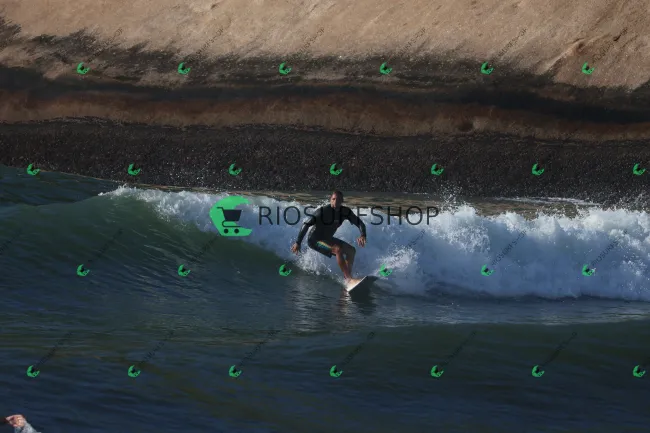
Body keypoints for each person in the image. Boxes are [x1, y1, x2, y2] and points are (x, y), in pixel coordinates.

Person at [291, 191, 366, 285]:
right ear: (330, 200)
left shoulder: (345, 212)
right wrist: (298, 242)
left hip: (328, 239)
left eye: (338, 199)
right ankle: (348, 279)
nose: (335, 202)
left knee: (351, 251)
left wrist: (363, 235)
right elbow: (306, 224)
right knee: (338, 250)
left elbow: (359, 223)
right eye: (333, 199)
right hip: (315, 240)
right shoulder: (322, 211)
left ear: (342, 201)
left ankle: (348, 277)